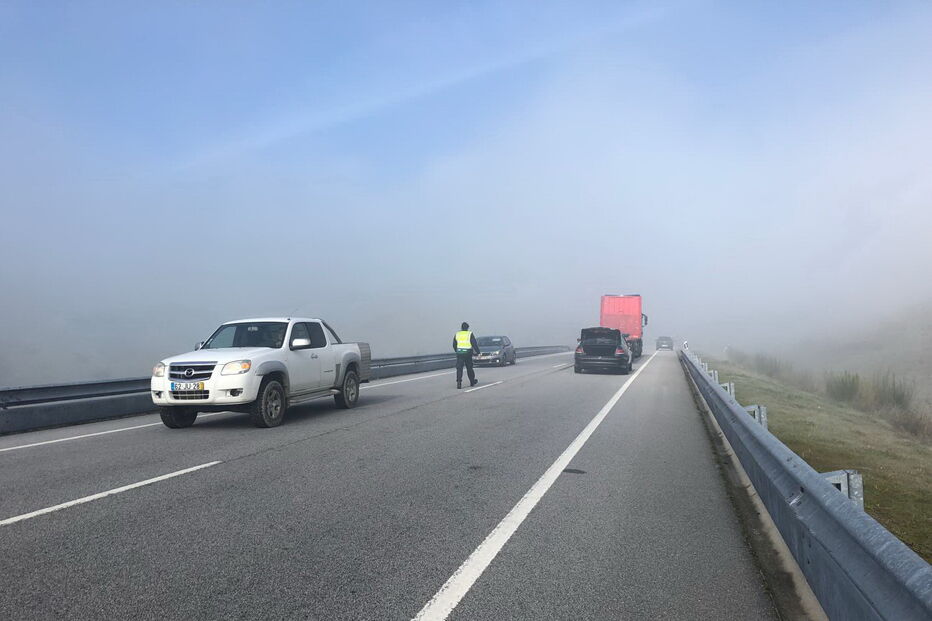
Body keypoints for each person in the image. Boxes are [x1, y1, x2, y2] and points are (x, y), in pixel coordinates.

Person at [453, 322, 480, 389]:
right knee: (469, 368)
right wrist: (478, 352)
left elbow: (454, 344)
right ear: (467, 328)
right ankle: (472, 381)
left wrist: (457, 351)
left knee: (459, 368)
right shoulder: (469, 334)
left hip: (460, 354)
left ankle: (459, 383)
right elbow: (474, 344)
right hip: (468, 353)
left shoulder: (457, 334)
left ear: (461, 327)